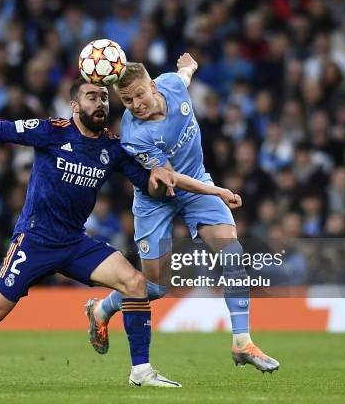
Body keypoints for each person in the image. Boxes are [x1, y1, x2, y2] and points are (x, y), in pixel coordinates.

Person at [0, 78, 192, 388]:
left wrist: (161, 175)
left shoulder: (113, 147)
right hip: (35, 241)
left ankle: (141, 370)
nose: (100, 103)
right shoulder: (51, 131)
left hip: (75, 242)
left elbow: (148, 185)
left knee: (135, 283)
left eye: (104, 98)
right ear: (74, 105)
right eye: (92, 97)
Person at [86, 55, 279, 373]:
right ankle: (102, 309)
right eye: (127, 100)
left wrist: (190, 65)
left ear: (153, 86)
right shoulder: (135, 135)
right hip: (156, 200)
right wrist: (217, 190)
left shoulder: (172, 85)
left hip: (196, 185)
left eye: (139, 94)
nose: (136, 104)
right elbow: (170, 178)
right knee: (155, 289)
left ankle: (242, 342)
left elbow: (184, 74)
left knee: (232, 253)